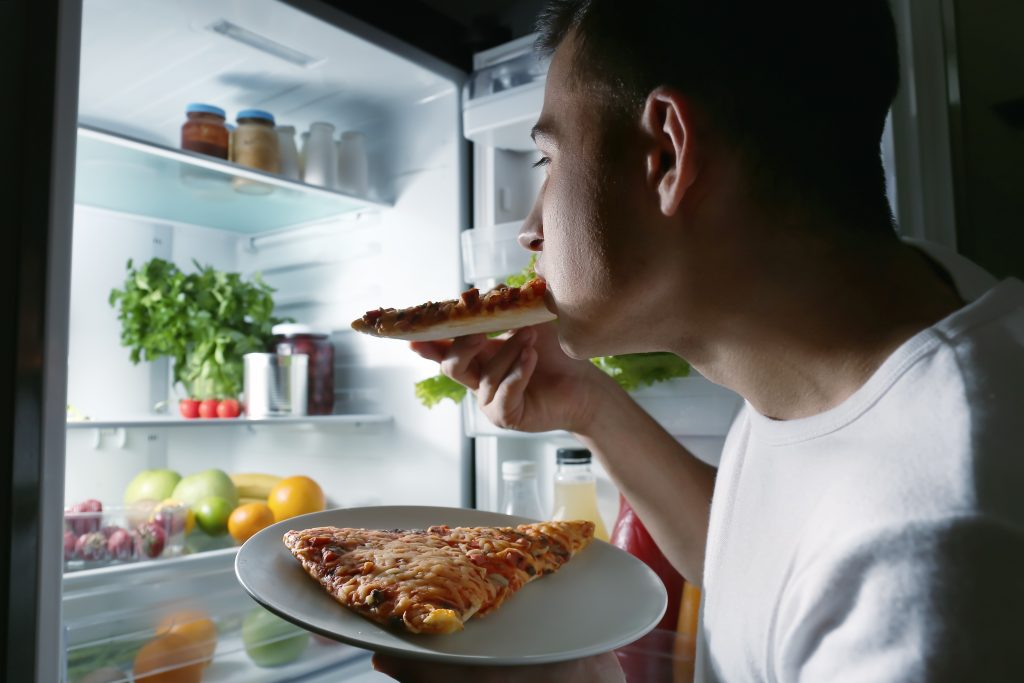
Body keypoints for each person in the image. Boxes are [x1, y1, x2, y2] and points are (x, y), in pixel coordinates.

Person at [376, 0, 1024, 681]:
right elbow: (766, 556)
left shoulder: (931, 561)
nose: (530, 230)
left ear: (666, 153)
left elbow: (861, 554)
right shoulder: (887, 314)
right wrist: (589, 405)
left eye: (548, 160)